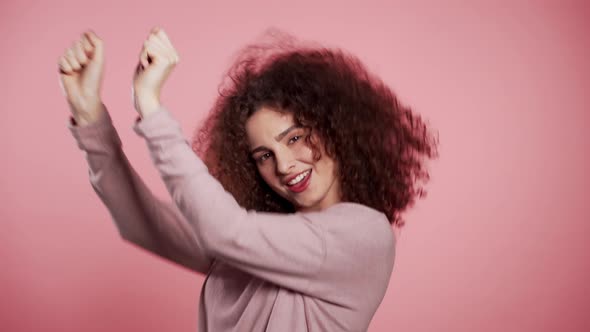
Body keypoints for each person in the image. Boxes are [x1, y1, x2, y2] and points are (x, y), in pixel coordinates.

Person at [58, 26, 439, 332]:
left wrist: (151, 108)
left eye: (295, 137)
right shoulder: (262, 240)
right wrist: (89, 117)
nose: (285, 165)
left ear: (336, 128)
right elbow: (142, 223)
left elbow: (224, 229)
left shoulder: (365, 234)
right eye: (264, 156)